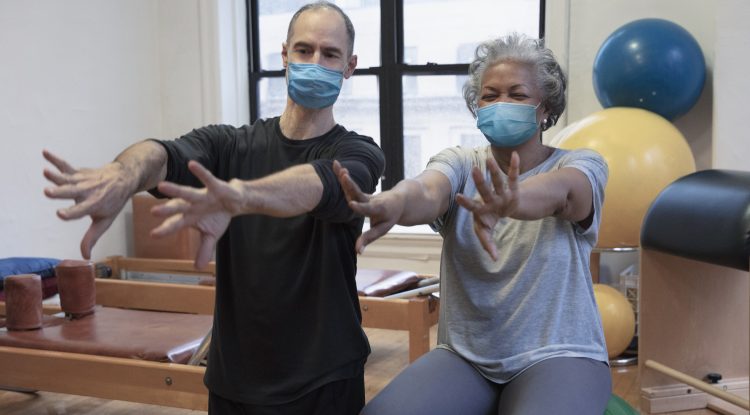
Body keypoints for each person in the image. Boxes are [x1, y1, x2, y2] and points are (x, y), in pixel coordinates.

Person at [42, 2, 385, 414]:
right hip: (235, 379)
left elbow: (325, 183)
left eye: (330, 54)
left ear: (350, 66)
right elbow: (164, 154)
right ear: (284, 57)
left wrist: (240, 196)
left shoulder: (360, 153)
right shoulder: (229, 145)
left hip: (324, 379)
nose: (315, 61)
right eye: (304, 50)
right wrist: (125, 174)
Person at [334, 33, 611, 414]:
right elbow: (428, 191)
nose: (502, 103)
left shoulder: (580, 164)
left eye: (517, 94)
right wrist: (395, 202)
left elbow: (565, 193)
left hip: (560, 351)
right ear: (476, 106)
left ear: (545, 108)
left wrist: (514, 200)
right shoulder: (462, 163)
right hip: (467, 358)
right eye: (490, 95)